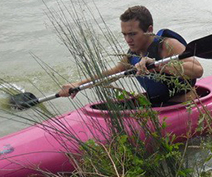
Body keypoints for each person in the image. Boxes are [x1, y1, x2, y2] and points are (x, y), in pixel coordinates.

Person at [59, 6, 203, 106]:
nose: (128, 40)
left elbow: (197, 70)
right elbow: (111, 74)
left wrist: (158, 65)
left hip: (184, 104)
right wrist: (78, 84)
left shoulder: (167, 45)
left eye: (133, 34)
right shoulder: (132, 55)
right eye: (125, 34)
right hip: (158, 105)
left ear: (149, 30)